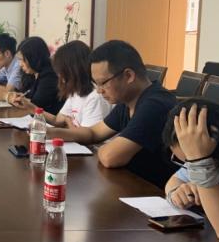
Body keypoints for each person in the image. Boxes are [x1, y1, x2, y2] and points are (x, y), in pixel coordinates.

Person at [47, 40, 177, 188]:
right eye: (96, 84)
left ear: (128, 76)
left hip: (153, 192)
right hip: (129, 184)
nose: (99, 90)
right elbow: (94, 132)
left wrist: (101, 148)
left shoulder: (155, 105)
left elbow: (110, 157)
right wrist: (50, 133)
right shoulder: (127, 100)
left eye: (103, 83)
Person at [163, 100, 219, 241]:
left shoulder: (202, 160)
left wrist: (199, 164)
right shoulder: (202, 159)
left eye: (191, 161)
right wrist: (177, 192)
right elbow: (175, 180)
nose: (189, 168)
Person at [12, 41, 111, 127]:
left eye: (62, 72)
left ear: (73, 71)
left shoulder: (95, 97)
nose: (60, 77)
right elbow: (57, 120)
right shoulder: (75, 92)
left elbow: (88, 137)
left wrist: (55, 130)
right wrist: (30, 107)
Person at [7, 36, 61, 115]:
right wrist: (21, 97)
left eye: (22, 60)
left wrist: (20, 100)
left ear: (33, 58)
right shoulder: (33, 74)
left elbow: (37, 104)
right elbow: (28, 97)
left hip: (47, 120)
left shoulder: (50, 75)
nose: (20, 64)